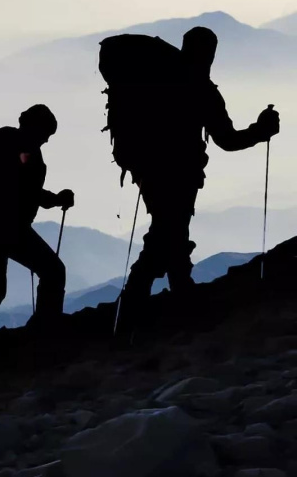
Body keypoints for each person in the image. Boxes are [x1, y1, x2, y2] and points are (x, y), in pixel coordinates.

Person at [115, 25, 280, 335]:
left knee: (169, 236)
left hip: (151, 175)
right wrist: (261, 131)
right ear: (210, 54)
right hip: (179, 177)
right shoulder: (202, 90)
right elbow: (227, 140)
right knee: (166, 238)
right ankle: (140, 312)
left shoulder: (158, 81)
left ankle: (165, 305)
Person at [0, 104, 74, 341]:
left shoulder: (6, 147)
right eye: (45, 135)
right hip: (4, 228)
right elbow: (24, 190)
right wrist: (55, 199)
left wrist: (52, 199)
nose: (45, 141)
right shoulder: (17, 151)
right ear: (34, 128)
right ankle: (46, 328)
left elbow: (23, 189)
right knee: (52, 271)